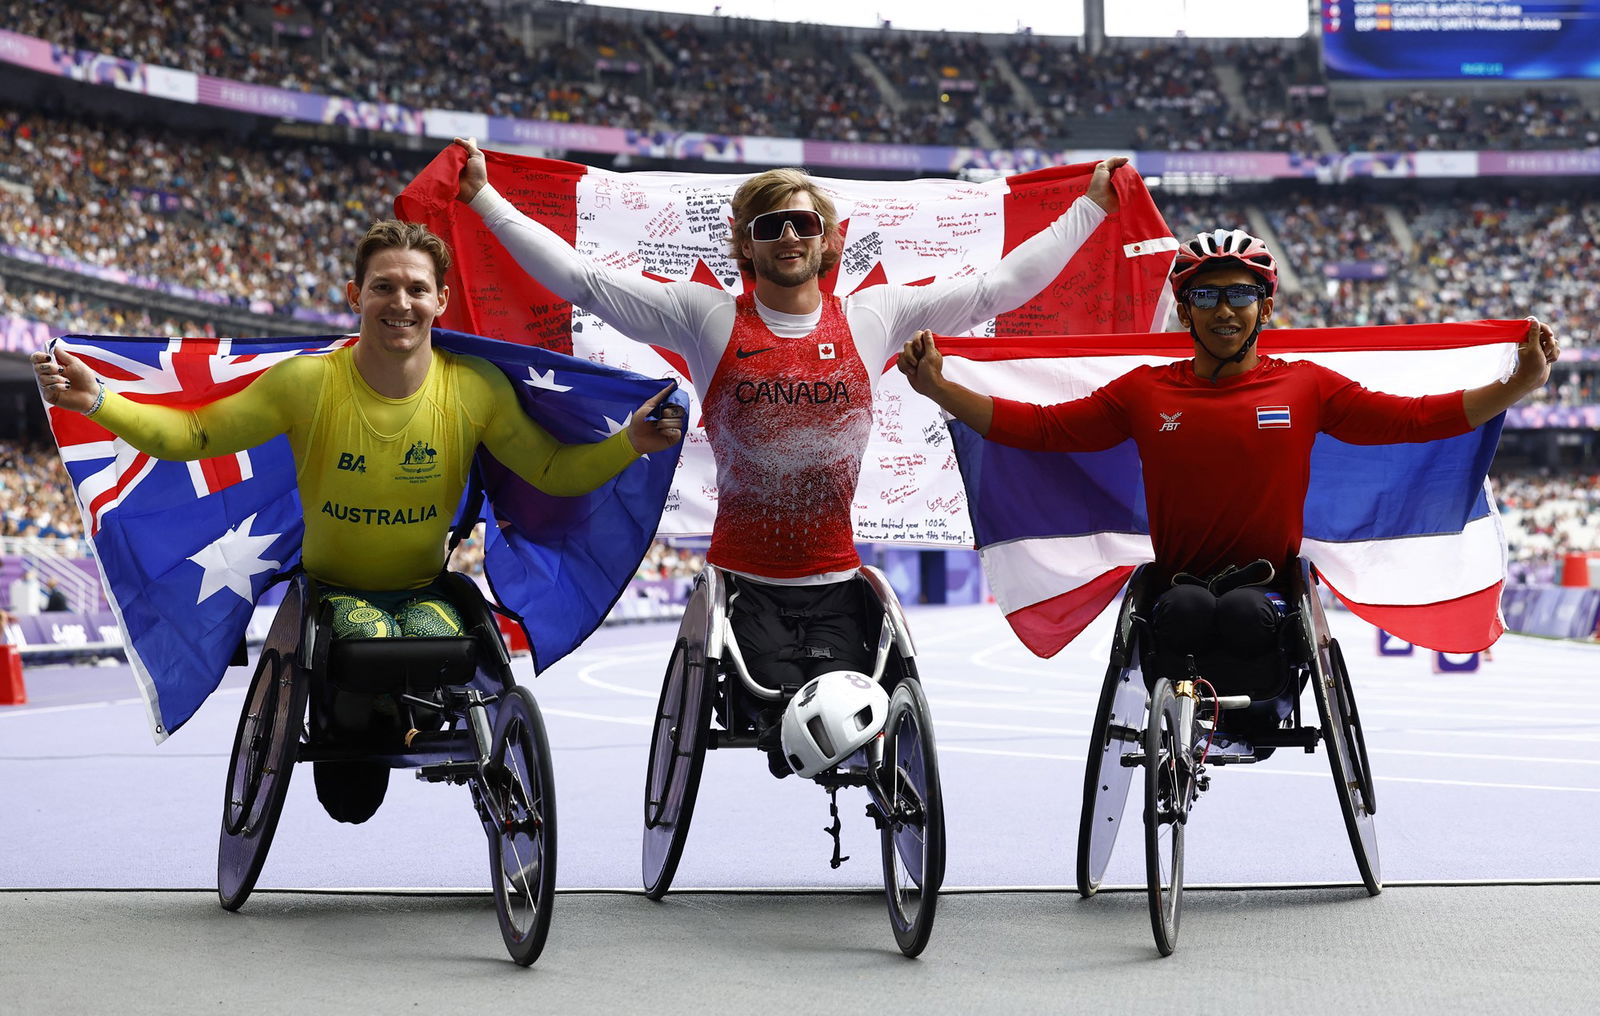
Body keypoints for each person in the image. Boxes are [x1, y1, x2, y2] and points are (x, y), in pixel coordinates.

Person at [454, 137, 1128, 775]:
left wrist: (1090, 208)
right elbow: (583, 281)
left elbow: (998, 288)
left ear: (828, 239)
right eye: (770, 226)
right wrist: (485, 199)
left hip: (840, 581)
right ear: (745, 244)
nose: (788, 238)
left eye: (803, 224)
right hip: (743, 588)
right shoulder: (705, 317)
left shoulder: (876, 315)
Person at [33, 218, 685, 820]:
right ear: (355, 294)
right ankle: (356, 718)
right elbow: (195, 435)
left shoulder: (476, 388)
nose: (400, 302)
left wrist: (628, 442)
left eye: (416, 289)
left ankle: (403, 719)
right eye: (384, 287)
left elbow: (550, 471)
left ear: (441, 301)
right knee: (365, 657)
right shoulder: (306, 384)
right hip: (334, 594)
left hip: (426, 589)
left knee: (440, 639)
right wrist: (98, 400)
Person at [897, 227, 1560, 745]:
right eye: (1207, 295)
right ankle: (1183, 726)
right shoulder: (1143, 391)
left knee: (1244, 616)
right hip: (1178, 582)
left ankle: (1251, 715)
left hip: (1268, 583)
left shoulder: (1306, 385)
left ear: (1265, 304)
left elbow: (1413, 419)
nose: (1224, 310)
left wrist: (1516, 386)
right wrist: (942, 390)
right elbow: (1042, 430)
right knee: (1183, 614)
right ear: (1184, 308)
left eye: (1239, 294)